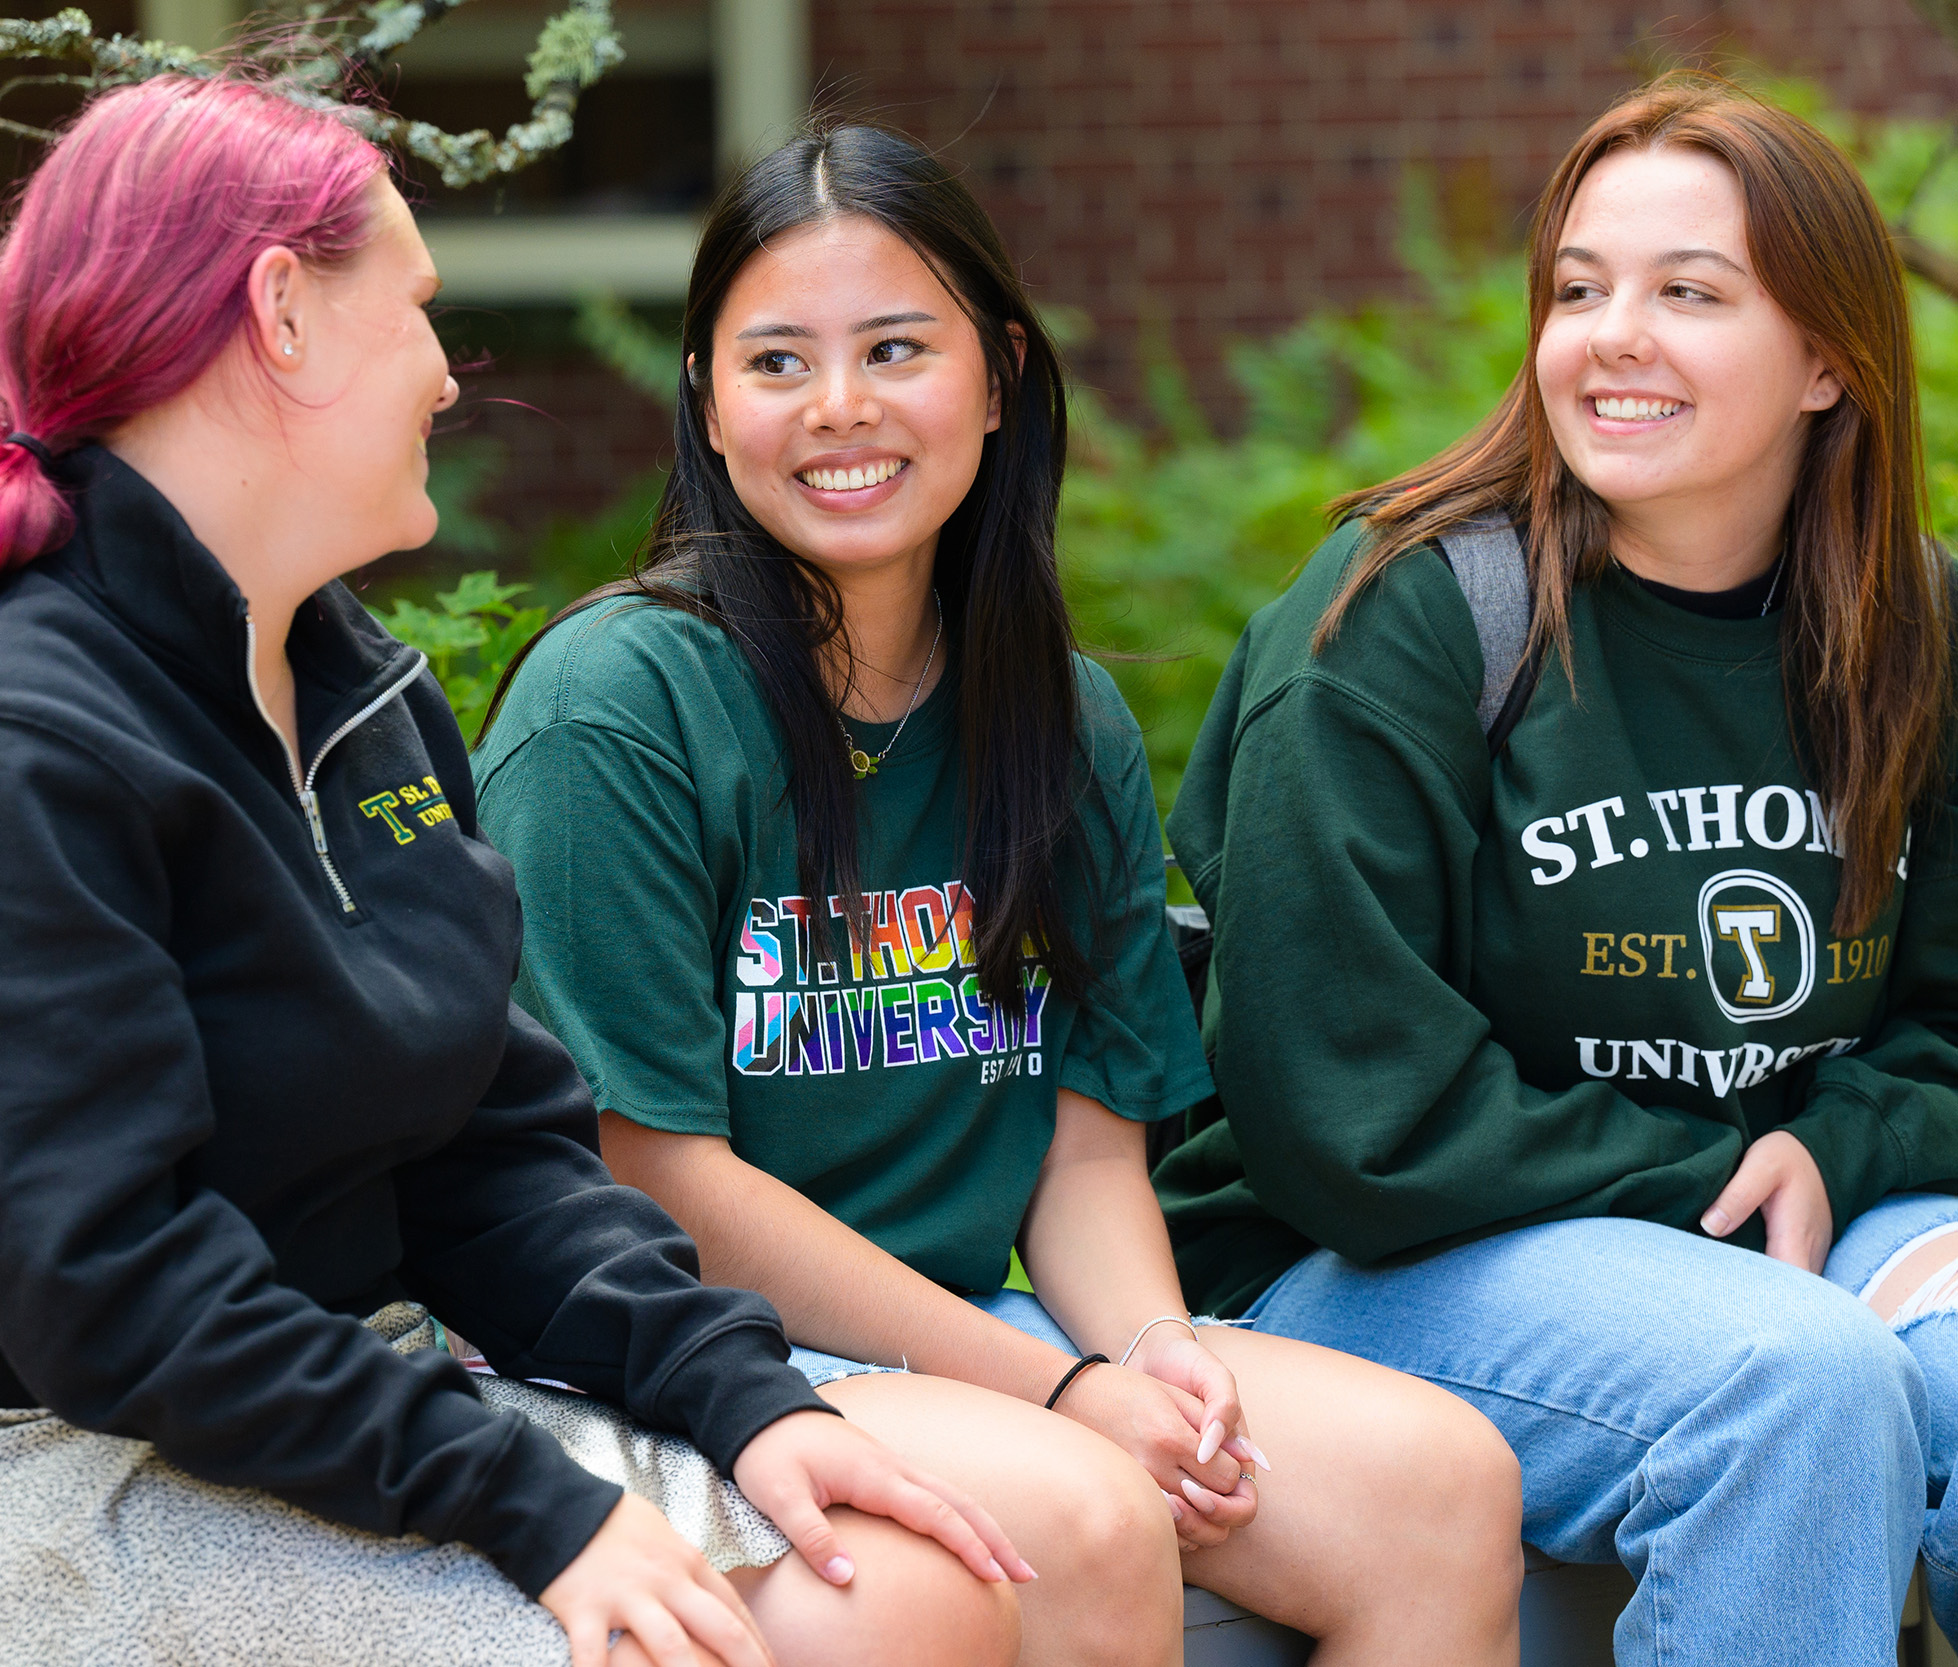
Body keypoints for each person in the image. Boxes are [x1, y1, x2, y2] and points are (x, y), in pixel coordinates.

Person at [0, 75, 1033, 1667]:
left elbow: (490, 1160)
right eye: (417, 310)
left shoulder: (368, 701)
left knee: (933, 1577)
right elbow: (114, 1289)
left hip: (367, 1393)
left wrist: (736, 1399)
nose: (445, 376)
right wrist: (535, 1508)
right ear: (283, 313)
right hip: (82, 1466)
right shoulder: (39, 736)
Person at [473, 122, 1525, 1667]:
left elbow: (1087, 1144)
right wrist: (1054, 1393)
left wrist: (1153, 1353)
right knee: (1085, 1508)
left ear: (999, 374)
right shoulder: (616, 704)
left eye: (895, 348)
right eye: (776, 363)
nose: (839, 410)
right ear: (705, 395)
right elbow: (651, 1177)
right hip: (691, 1356)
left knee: (1436, 1488)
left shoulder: (1058, 714)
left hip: (965, 1336)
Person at [1154, 70, 1958, 1664]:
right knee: (1782, 1387)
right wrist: (1725, 1189)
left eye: (1689, 292)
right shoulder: (1405, 622)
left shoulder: (1914, 637)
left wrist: (1834, 1145)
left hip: (1750, 1219)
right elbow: (1346, 1113)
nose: (1611, 335)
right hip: (1371, 1259)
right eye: (1577, 289)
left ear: (1825, 361)